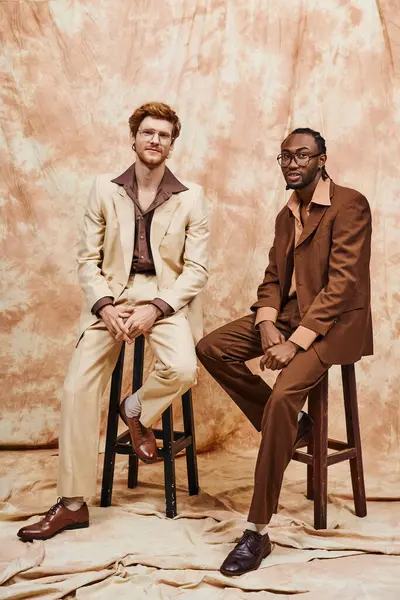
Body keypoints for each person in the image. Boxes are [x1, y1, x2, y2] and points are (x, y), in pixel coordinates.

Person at [18, 102, 209, 542]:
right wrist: (104, 304)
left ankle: (135, 409)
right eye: (147, 133)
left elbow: (196, 271)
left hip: (165, 301)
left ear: (172, 143)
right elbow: (87, 259)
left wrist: (156, 308)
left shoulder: (191, 196)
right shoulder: (102, 188)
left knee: (182, 369)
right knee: (76, 387)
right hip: (111, 299)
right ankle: (71, 505)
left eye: (163, 134)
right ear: (133, 138)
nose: (154, 140)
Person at [196, 128, 372, 577]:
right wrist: (268, 323)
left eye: (302, 155)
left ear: (322, 159)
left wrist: (295, 342)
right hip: (292, 315)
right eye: (284, 157)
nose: (292, 163)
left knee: (280, 398)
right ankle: (295, 428)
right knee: (212, 347)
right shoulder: (285, 214)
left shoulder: (350, 205)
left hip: (334, 327)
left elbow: (341, 284)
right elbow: (273, 275)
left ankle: (257, 531)